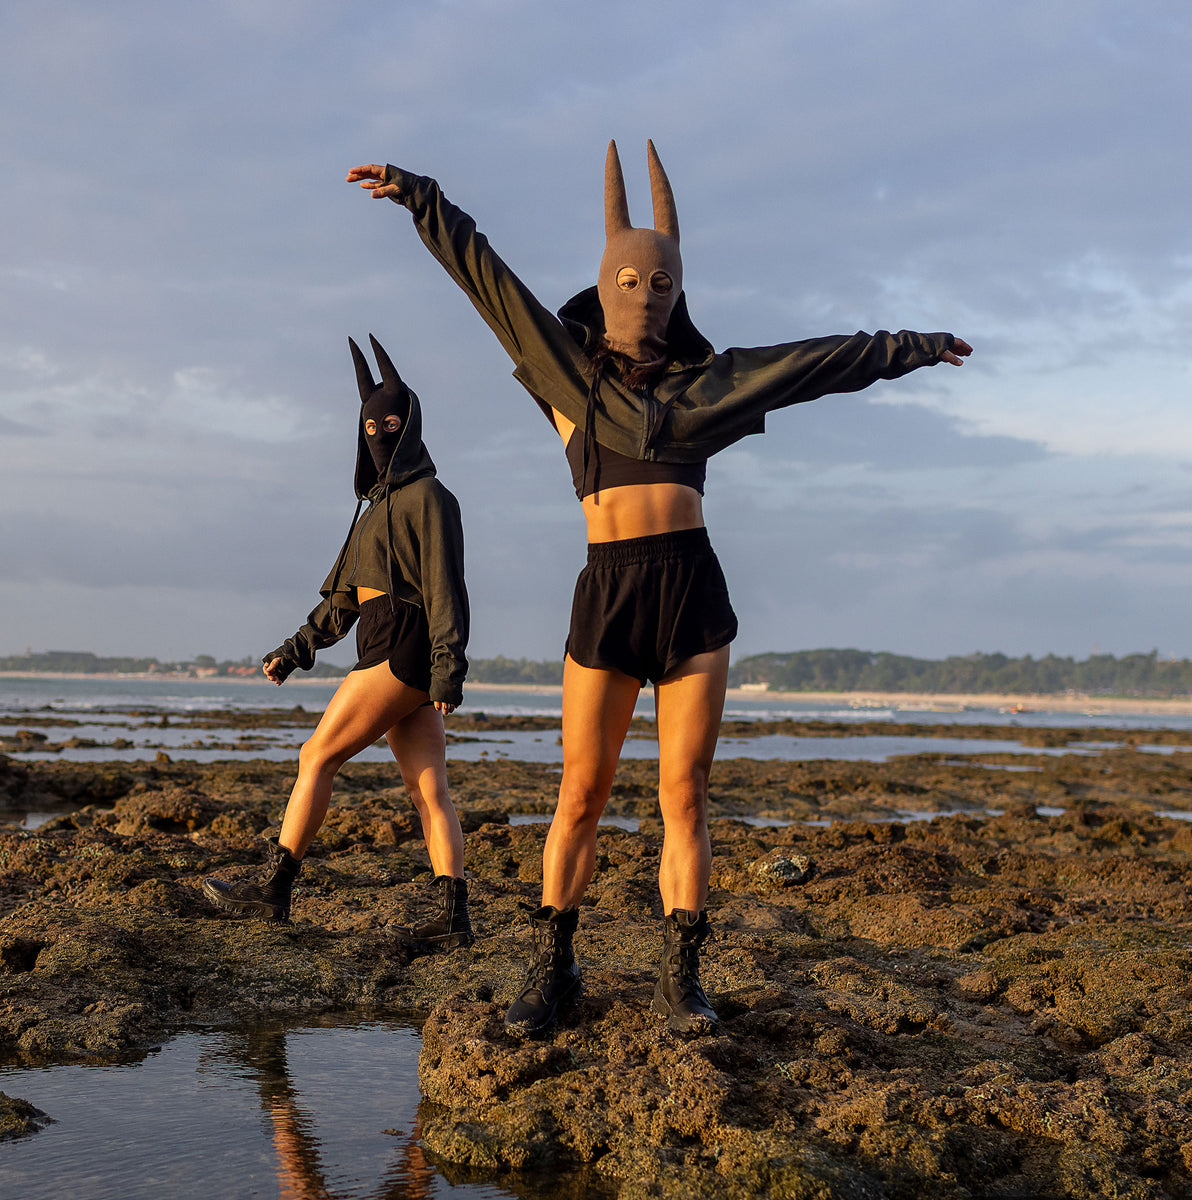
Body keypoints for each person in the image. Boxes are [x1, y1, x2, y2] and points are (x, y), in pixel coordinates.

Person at [347, 143, 972, 1035]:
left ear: (679, 294)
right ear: (608, 284)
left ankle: (681, 977)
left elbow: (814, 363)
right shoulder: (567, 376)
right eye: (631, 280)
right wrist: (422, 198)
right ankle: (553, 968)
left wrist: (914, 348)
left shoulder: (707, 387)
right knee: (580, 794)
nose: (646, 295)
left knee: (685, 792)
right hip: (609, 596)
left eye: (663, 284)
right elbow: (490, 284)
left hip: (692, 595)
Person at [202, 336, 473, 953]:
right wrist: (295, 650)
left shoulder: (430, 498)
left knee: (315, 757)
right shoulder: (371, 509)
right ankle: (452, 918)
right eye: (370, 426)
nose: (380, 434)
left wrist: (448, 669)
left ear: (412, 426)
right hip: (384, 639)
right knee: (428, 789)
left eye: (391, 424)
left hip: (403, 643)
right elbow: (343, 602)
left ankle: (273, 888)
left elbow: (445, 586)